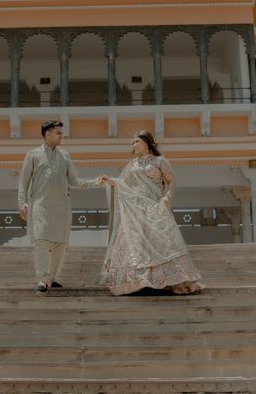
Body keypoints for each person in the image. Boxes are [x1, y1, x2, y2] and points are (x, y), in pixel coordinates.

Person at [98, 131, 204, 296]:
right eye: (132, 143)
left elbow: (171, 181)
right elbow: (124, 184)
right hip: (136, 212)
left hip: (155, 207)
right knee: (137, 242)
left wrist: (167, 198)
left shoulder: (159, 161)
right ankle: (141, 280)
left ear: (147, 143)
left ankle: (173, 280)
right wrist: (110, 180)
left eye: (137, 141)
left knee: (162, 242)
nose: (134, 145)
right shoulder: (132, 165)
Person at [18, 119, 102, 294]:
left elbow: (73, 180)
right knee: (41, 241)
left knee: (58, 244)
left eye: (61, 133)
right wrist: (22, 203)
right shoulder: (33, 154)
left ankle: (50, 277)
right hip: (40, 206)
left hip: (61, 207)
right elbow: (24, 181)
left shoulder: (64, 156)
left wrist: (95, 182)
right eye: (58, 133)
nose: (61, 136)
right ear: (47, 134)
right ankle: (43, 278)